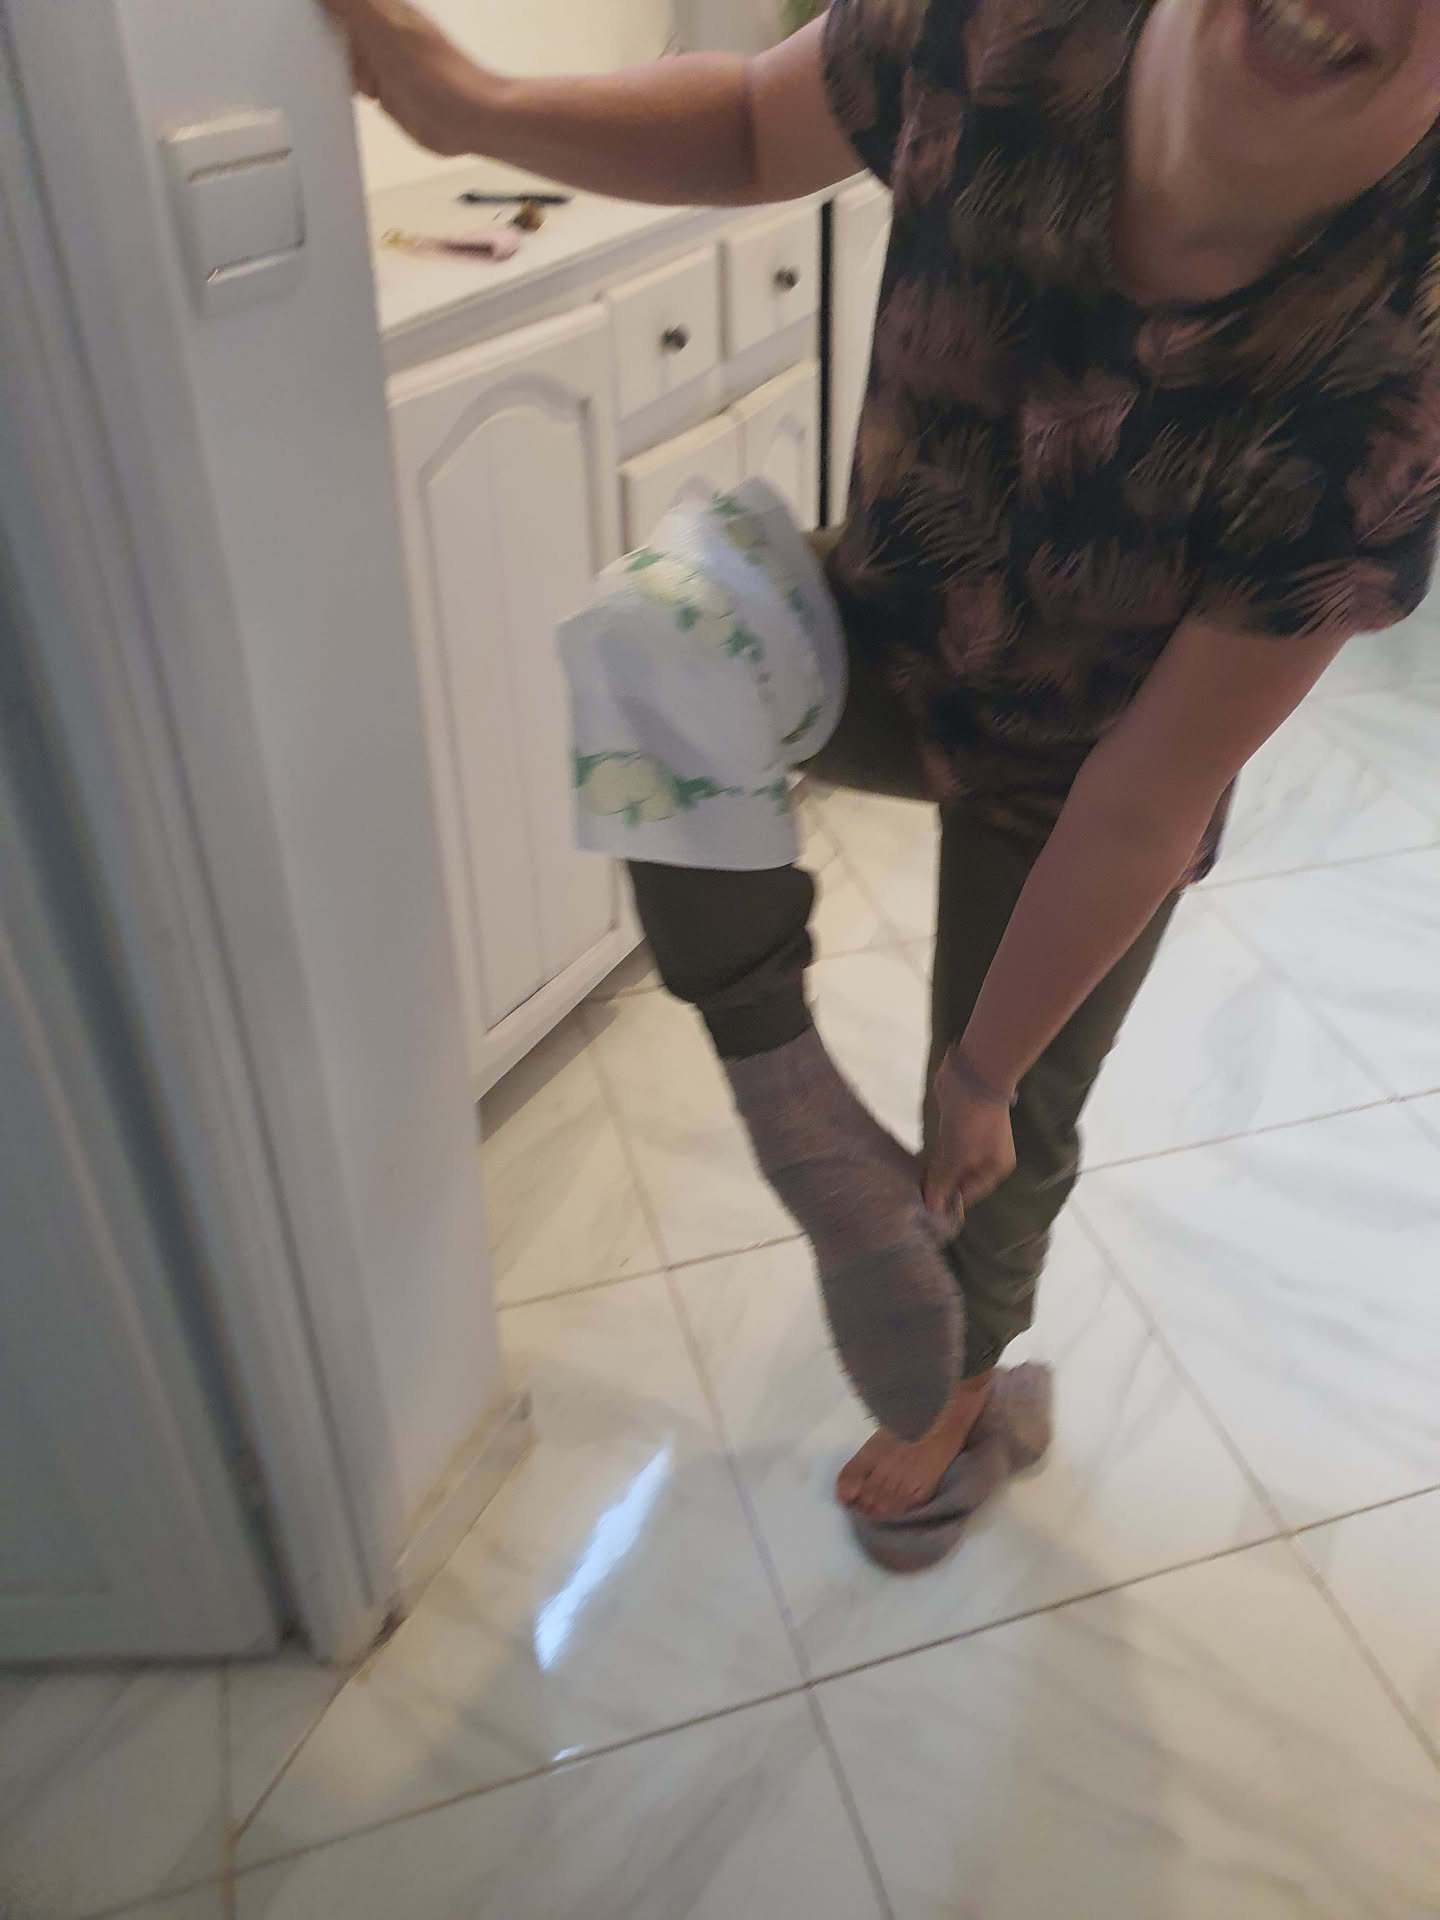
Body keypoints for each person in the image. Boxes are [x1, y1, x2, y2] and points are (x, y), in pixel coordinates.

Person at [321, 0, 1440, 1550]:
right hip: (889, 626)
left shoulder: (1405, 358)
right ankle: (806, 1132)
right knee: (653, 629)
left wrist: (976, 1076)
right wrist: (475, 107)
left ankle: (956, 1400)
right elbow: (747, 126)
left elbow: (1142, 799)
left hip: (1087, 777)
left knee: (1006, 1125)